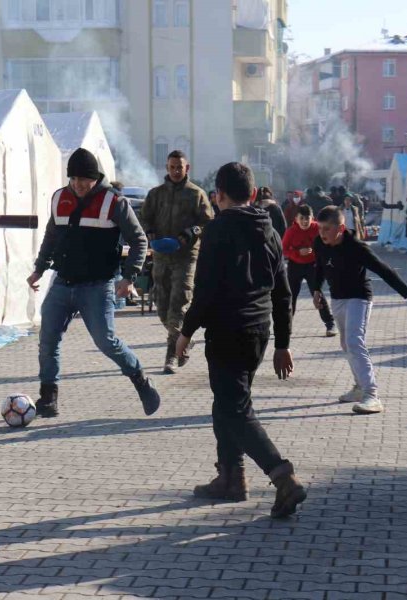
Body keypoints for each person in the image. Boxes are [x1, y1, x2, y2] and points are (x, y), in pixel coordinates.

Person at [176, 162, 308, 519]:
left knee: (236, 409)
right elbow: (283, 293)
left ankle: (282, 475)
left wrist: (184, 334)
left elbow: (204, 291)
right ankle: (231, 478)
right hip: (258, 333)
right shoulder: (270, 229)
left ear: (218, 194)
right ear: (252, 194)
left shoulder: (218, 230)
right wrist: (283, 343)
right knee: (227, 404)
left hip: (227, 332)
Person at [27, 148, 161, 418]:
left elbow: (139, 240)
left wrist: (129, 276)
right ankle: (48, 398)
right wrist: (39, 269)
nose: (78, 185)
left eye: (83, 180)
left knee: (106, 341)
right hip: (63, 283)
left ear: (95, 177)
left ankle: (140, 380)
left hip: (98, 286)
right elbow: (51, 236)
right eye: (73, 178)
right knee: (47, 340)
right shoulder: (59, 198)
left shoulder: (114, 202)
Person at [312, 206, 407, 414]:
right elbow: (320, 265)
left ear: (340, 227)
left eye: (327, 229)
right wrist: (316, 289)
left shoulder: (356, 247)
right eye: (320, 228)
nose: (322, 233)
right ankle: (358, 387)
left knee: (355, 342)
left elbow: (385, 270)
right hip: (337, 298)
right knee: (346, 344)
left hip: (359, 298)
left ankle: (372, 395)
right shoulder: (319, 242)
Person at [140, 150, 214, 374]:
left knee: (179, 303)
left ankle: (172, 353)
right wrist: (151, 234)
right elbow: (144, 218)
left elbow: (207, 221)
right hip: (162, 256)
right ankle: (184, 339)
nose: (175, 171)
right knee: (162, 307)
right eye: (172, 167)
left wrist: (188, 234)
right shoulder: (156, 194)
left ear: (187, 168)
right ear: (167, 167)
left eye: (179, 167)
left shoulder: (196, 194)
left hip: (186, 256)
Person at [282, 205, 337, 336]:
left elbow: (328, 244)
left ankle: (330, 324)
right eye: (302, 218)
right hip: (295, 265)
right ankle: (286, 326)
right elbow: (284, 250)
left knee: (318, 294)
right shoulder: (291, 231)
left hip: (313, 265)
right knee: (291, 296)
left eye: (307, 218)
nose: (305, 222)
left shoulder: (318, 229)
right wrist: (297, 252)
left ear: (313, 218)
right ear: (296, 218)